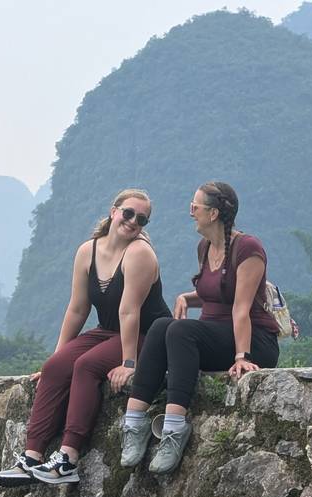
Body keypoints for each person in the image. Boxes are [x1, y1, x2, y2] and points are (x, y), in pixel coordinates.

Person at [0, 188, 170, 486]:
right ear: (113, 211)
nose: (133, 221)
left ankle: (68, 458)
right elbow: (77, 308)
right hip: (108, 330)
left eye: (141, 219)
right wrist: (58, 356)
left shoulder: (139, 253)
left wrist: (129, 363)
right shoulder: (87, 251)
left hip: (148, 334)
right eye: (128, 213)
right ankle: (31, 457)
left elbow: (130, 312)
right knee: (55, 368)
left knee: (87, 366)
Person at [118, 181, 281, 474]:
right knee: (161, 326)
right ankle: (134, 423)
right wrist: (187, 297)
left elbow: (241, 307)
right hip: (215, 337)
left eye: (195, 206)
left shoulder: (248, 249)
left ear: (214, 213)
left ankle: (174, 428)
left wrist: (242, 357)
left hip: (254, 341)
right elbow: (215, 292)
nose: (191, 211)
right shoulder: (205, 247)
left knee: (180, 331)